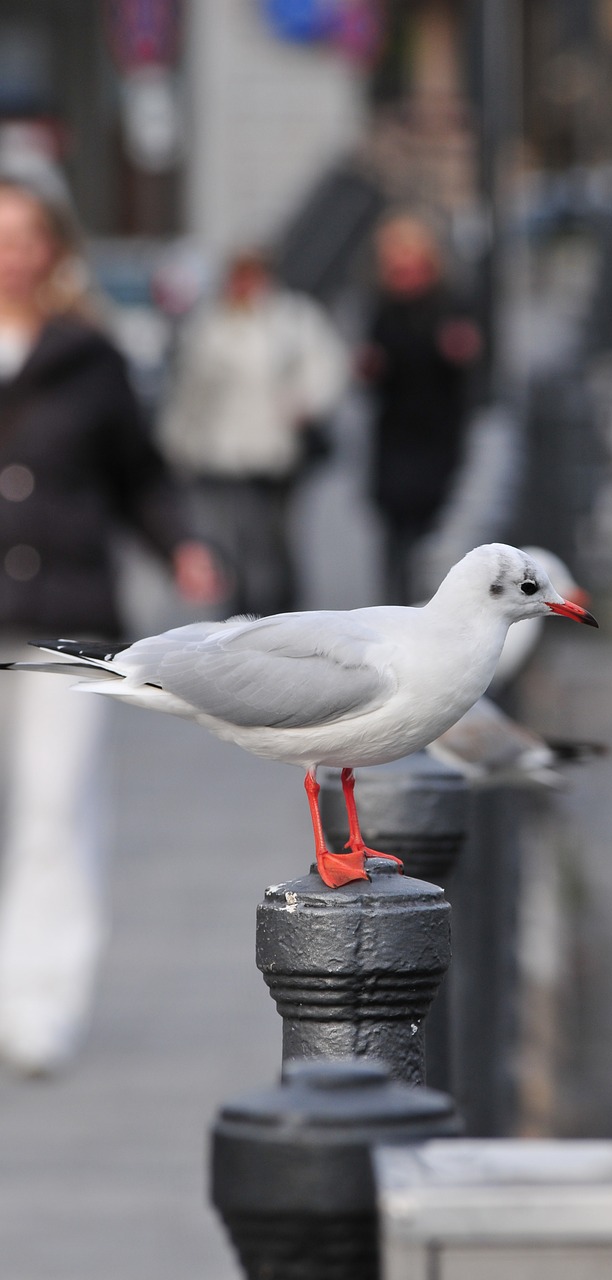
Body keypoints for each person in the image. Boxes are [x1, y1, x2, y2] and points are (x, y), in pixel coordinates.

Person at [0, 176, 221, 1075]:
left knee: (55, 809)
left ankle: (38, 1005)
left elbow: (140, 474)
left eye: (23, 234)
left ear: (55, 247)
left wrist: (181, 546)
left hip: (67, 619)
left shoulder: (92, 355)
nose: (9, 250)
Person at [159, 250, 350, 616]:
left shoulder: (292, 317)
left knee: (273, 540)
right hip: (221, 454)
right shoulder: (210, 323)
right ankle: (239, 612)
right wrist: (176, 442)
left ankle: (278, 609)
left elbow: (327, 367)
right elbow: (190, 391)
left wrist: (305, 403)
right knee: (230, 540)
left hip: (277, 453)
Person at [361, 212, 483, 603]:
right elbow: (374, 372)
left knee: (436, 533)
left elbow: (471, 363)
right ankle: (397, 608)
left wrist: (461, 351)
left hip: (437, 439)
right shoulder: (381, 309)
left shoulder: (449, 305)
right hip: (396, 440)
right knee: (397, 537)